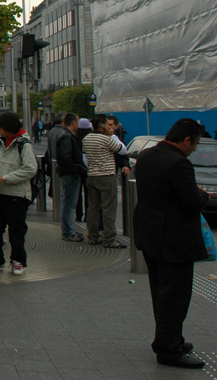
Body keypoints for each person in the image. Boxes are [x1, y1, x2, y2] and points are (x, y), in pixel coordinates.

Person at [134, 119, 211, 369]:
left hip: (150, 235)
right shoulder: (179, 163)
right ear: (186, 140)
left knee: (161, 293)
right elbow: (191, 202)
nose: (195, 149)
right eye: (195, 144)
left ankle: (171, 338)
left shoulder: (147, 155)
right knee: (175, 297)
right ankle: (169, 350)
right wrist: (202, 194)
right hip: (174, 241)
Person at [0, 111, 37, 276]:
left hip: (17, 195)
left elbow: (30, 169)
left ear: (8, 127)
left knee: (16, 230)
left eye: (0, 128)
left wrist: (6, 178)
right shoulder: (0, 143)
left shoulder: (24, 144)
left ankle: (18, 260)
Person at [82, 114, 126, 248]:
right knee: (109, 209)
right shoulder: (106, 139)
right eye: (106, 124)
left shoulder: (86, 138)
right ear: (102, 125)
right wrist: (111, 135)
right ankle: (110, 239)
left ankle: (93, 236)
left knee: (93, 208)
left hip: (92, 175)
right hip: (106, 176)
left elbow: (85, 156)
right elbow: (122, 150)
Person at [52, 113, 86, 241]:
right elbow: (66, 158)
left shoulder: (63, 135)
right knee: (69, 203)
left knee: (68, 202)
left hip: (67, 173)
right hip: (70, 174)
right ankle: (67, 231)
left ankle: (68, 229)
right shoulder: (67, 137)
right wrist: (77, 169)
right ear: (73, 123)